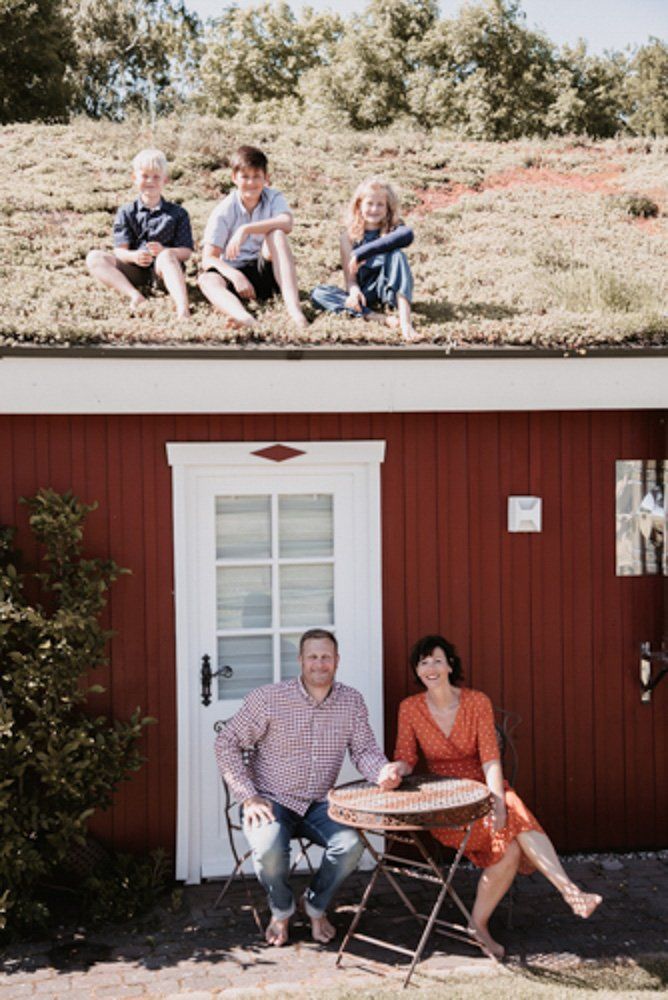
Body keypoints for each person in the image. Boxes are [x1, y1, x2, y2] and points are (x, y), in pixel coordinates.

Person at [393, 634, 602, 959]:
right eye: (423, 662)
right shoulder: (410, 708)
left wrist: (497, 802)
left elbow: (491, 758)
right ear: (417, 671)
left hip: (484, 788)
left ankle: (488, 921)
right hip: (445, 803)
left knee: (512, 823)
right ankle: (568, 891)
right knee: (513, 845)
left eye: (437, 660)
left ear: (450, 665)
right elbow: (406, 757)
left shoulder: (477, 702)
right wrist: (395, 770)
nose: (430, 668)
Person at [214, 628, 402, 948]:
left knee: (350, 845)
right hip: (272, 800)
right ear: (300, 660)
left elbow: (364, 751)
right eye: (312, 657)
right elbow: (226, 743)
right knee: (270, 850)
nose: (319, 664)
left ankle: (315, 906)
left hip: (319, 803)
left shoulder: (351, 701)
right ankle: (282, 909)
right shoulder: (269, 699)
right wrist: (248, 795)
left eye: (326, 657)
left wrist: (383, 771)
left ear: (337, 661)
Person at [198, 145, 308, 329]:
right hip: (235, 275)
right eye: (245, 177)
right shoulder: (223, 211)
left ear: (266, 178)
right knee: (206, 279)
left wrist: (245, 229)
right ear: (234, 178)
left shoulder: (273, 197)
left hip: (265, 271)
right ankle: (244, 318)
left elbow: (287, 222)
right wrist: (234, 275)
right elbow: (208, 258)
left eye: (257, 176)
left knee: (277, 234)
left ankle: (295, 312)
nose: (251, 182)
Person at [86, 148, 193, 319]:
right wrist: (134, 256)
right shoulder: (126, 212)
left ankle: (182, 308)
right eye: (145, 176)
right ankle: (134, 295)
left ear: (165, 180)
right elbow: (119, 251)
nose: (150, 181)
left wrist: (166, 251)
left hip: (164, 272)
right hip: (135, 270)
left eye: (156, 177)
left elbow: (187, 251)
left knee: (166, 256)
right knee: (95, 257)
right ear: (134, 178)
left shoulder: (178, 213)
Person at [311, 176, 418, 341]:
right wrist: (354, 292)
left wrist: (361, 253)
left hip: (387, 289)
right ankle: (377, 317)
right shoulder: (348, 237)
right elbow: (350, 279)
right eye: (369, 203)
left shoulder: (393, 229)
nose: (374, 209)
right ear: (358, 205)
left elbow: (408, 235)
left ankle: (405, 322)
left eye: (380, 204)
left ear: (388, 208)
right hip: (365, 294)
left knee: (397, 255)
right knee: (319, 293)